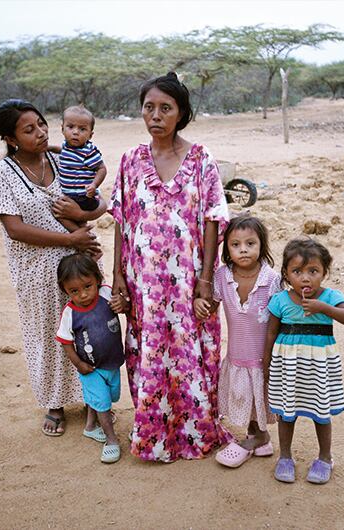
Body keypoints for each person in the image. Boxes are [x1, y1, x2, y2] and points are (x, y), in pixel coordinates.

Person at [109, 72, 233, 462]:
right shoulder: (130, 161)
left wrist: (205, 280)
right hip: (143, 282)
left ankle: (194, 432)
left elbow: (213, 219)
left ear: (181, 113)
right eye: (149, 107)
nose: (156, 116)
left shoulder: (200, 159)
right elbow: (122, 222)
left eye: (166, 108)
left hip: (187, 283)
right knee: (149, 353)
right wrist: (117, 278)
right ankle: (154, 436)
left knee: (191, 352)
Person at [0, 99, 105, 437]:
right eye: (29, 129)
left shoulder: (61, 158)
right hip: (36, 271)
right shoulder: (1, 175)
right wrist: (71, 240)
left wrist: (83, 221)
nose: (40, 132)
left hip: (80, 266)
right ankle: (55, 402)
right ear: (10, 138)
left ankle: (93, 399)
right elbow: (15, 229)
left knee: (88, 330)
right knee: (50, 335)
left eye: (41, 124)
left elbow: (95, 201)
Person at [265, 238, 344, 484]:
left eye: (313, 271)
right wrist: (266, 365)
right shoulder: (280, 300)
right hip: (288, 368)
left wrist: (324, 308)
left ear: (324, 273)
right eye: (297, 272)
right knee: (287, 413)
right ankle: (285, 457)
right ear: (286, 274)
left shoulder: (330, 297)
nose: (305, 278)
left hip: (318, 369)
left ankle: (325, 458)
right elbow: (271, 333)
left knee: (321, 412)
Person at [200, 214, 281, 468]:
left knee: (258, 394)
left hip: (262, 356)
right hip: (237, 354)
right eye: (235, 244)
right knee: (244, 393)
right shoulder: (223, 276)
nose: (243, 249)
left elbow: (280, 318)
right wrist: (201, 305)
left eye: (250, 243)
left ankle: (255, 438)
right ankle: (260, 437)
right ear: (227, 248)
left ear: (262, 245)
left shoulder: (272, 279)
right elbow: (212, 304)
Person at [55, 253, 125, 464]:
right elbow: (65, 341)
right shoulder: (70, 313)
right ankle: (111, 440)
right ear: (65, 290)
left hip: (112, 362)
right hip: (90, 368)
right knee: (103, 403)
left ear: (97, 279)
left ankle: (90, 426)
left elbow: (124, 307)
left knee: (110, 396)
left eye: (87, 286)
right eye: (74, 291)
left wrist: (121, 304)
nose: (83, 294)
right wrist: (78, 364)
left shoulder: (105, 293)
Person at [49, 105, 108, 233]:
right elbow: (62, 151)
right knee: (63, 215)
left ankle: (82, 237)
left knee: (59, 214)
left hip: (83, 196)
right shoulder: (67, 146)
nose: (75, 132)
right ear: (62, 129)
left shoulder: (88, 152)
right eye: (70, 127)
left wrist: (94, 185)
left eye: (82, 129)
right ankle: (84, 236)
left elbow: (102, 168)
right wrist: (49, 148)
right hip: (70, 194)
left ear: (90, 135)